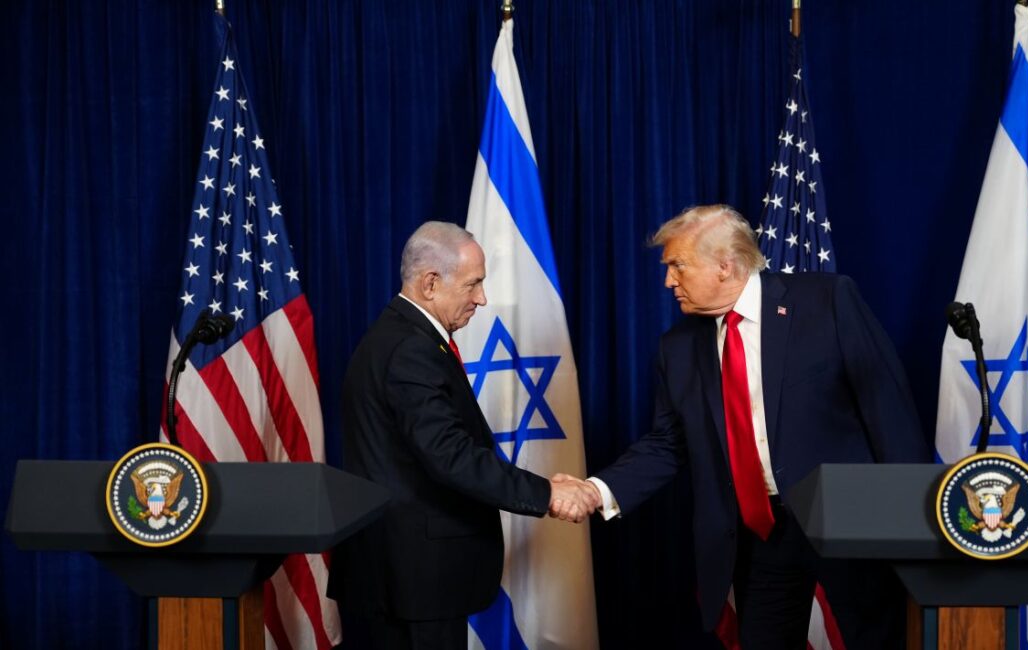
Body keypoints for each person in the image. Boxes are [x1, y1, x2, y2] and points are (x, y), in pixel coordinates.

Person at [564, 204, 931, 649]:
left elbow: (887, 411)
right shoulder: (677, 348)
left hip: (849, 523)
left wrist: (910, 520)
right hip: (758, 536)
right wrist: (596, 490)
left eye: (678, 265)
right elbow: (667, 444)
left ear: (725, 265)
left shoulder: (827, 302)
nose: (668, 281)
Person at [328, 221, 595, 650]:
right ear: (430, 283)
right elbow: (450, 456)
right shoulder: (410, 349)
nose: (482, 298)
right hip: (412, 580)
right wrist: (546, 493)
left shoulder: (399, 338)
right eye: (474, 284)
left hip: (403, 575)